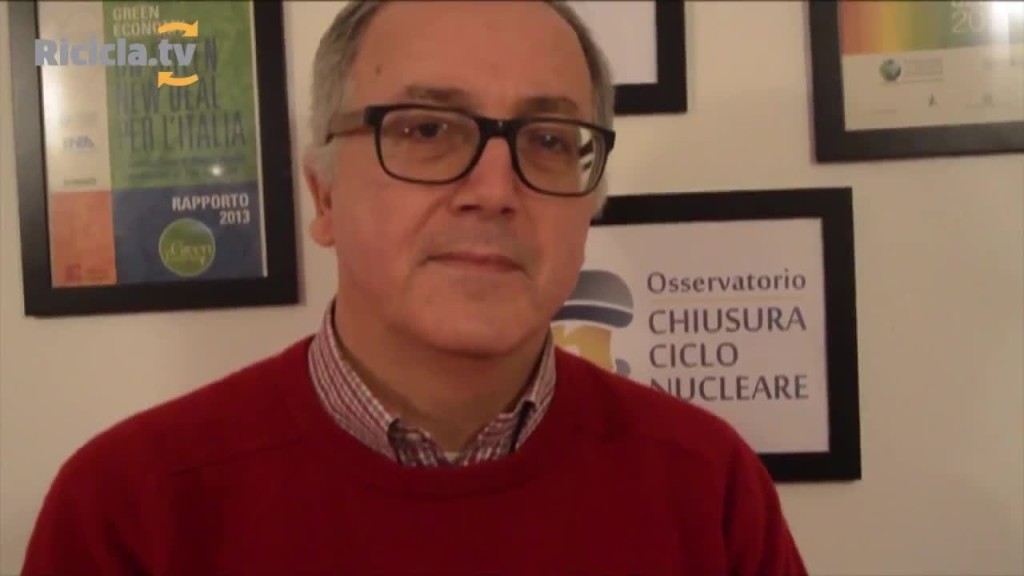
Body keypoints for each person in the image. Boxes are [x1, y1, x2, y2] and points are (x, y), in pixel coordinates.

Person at [21, 1, 808, 574]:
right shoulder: (131, 507)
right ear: (324, 196)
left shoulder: (708, 486)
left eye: (547, 139)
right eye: (426, 129)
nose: (494, 190)